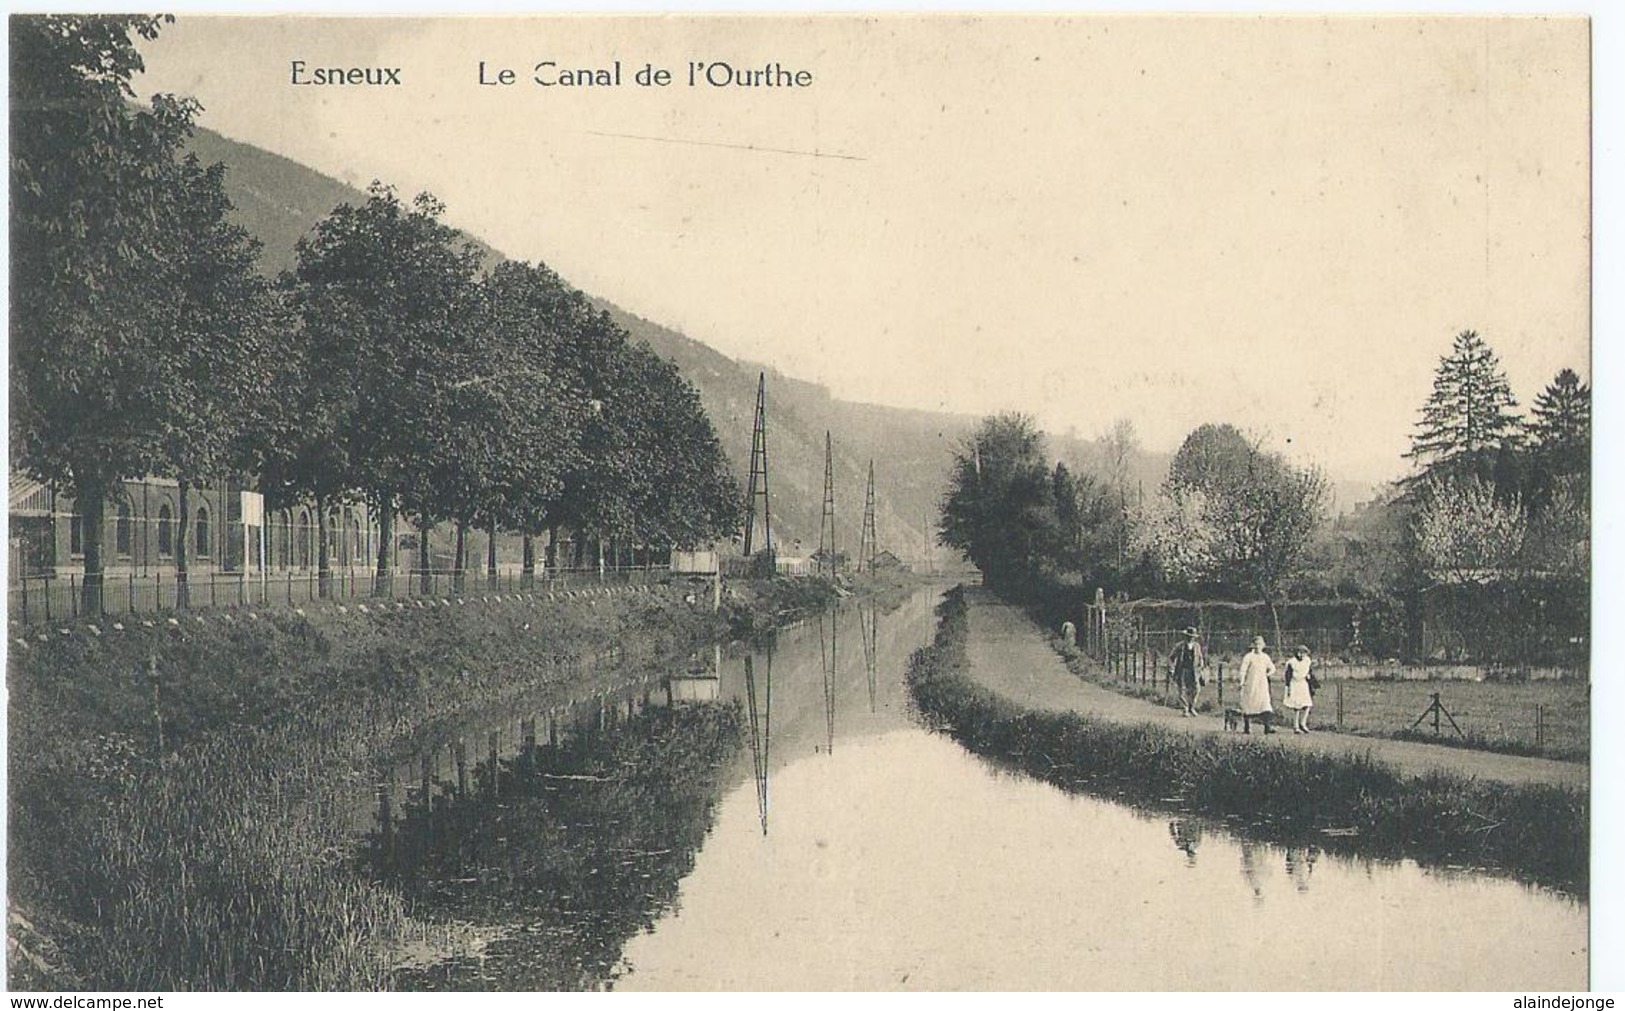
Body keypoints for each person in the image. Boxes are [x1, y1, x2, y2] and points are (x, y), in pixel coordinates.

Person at [1235, 635, 1276, 734]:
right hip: (1250, 683)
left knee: (1265, 704)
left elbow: (1273, 668)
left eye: (1260, 644)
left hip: (1262, 684)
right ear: (1253, 645)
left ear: (1263, 645)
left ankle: (1267, 726)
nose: (1258, 646)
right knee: (1249, 703)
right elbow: (1243, 670)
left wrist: (1267, 674)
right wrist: (1241, 682)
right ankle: (1247, 726)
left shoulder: (1265, 657)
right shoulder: (1249, 657)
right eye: (1256, 644)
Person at [1167, 626, 1205, 716]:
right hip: (1182, 670)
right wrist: (1171, 669)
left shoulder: (1197, 646)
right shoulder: (1180, 646)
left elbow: (1200, 658)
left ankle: (1192, 707)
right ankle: (1185, 709)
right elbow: (1171, 658)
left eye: (1192, 636)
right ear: (1185, 636)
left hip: (1194, 671)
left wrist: (1201, 667)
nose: (1190, 638)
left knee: (1196, 689)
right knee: (1182, 691)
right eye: (1188, 636)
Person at [1282, 644, 1314, 733]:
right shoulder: (1292, 662)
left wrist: (1309, 677)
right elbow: (1288, 676)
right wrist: (1288, 687)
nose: (1303, 655)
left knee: (1307, 704)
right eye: (1301, 653)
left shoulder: (1307, 661)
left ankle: (1303, 723)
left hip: (1303, 684)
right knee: (1297, 706)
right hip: (1294, 684)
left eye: (1304, 653)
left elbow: (1309, 671)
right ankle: (1296, 726)